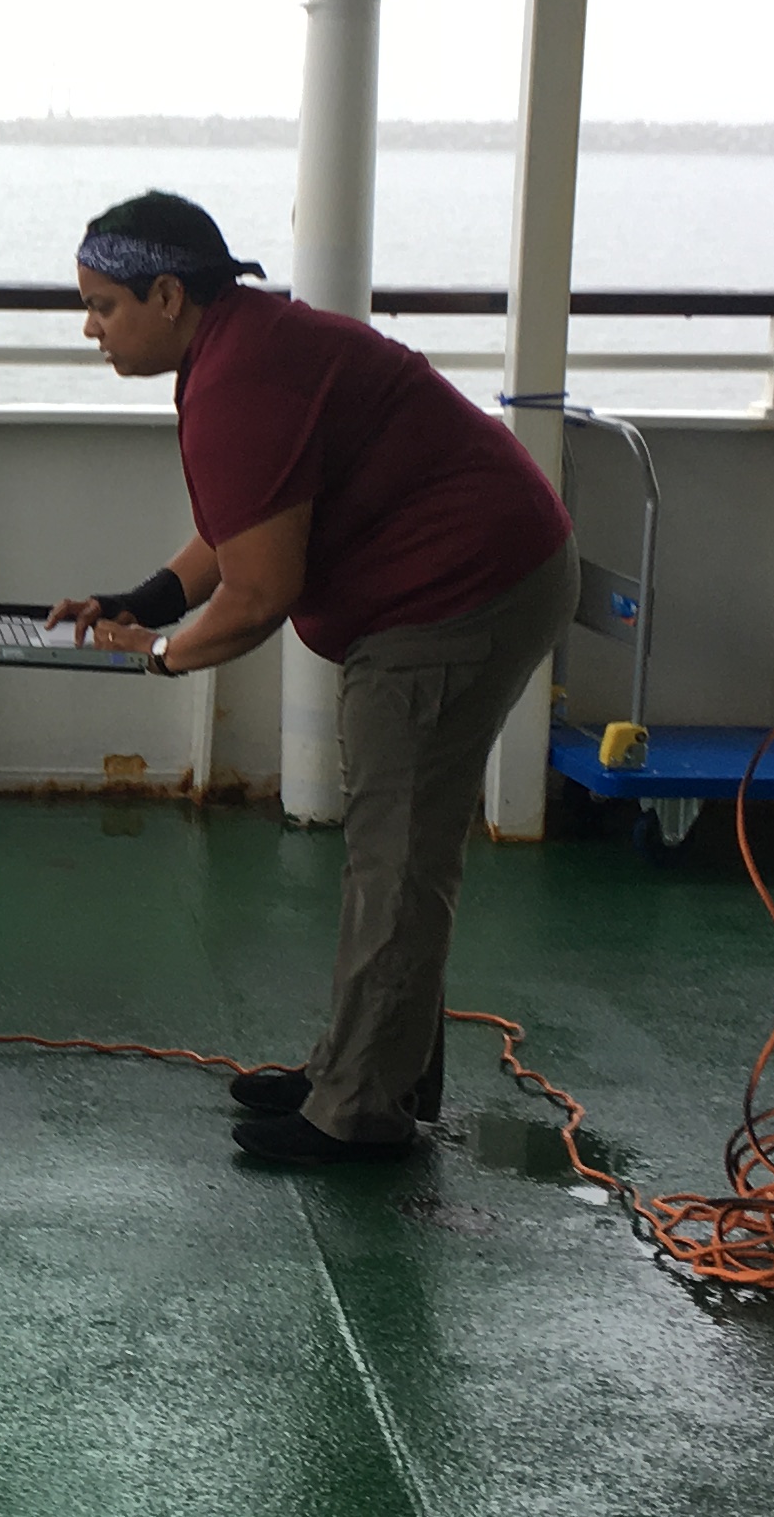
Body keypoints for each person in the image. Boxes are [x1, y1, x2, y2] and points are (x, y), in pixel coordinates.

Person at [46, 191, 577, 1168]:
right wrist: (147, 599)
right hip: (473, 573)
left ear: (167, 295)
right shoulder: (241, 347)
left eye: (104, 305)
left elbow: (257, 596)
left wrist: (159, 656)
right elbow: (246, 518)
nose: (91, 328)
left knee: (399, 857)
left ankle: (362, 1112)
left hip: (461, 592)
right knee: (393, 851)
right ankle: (369, 1067)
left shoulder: (241, 379)